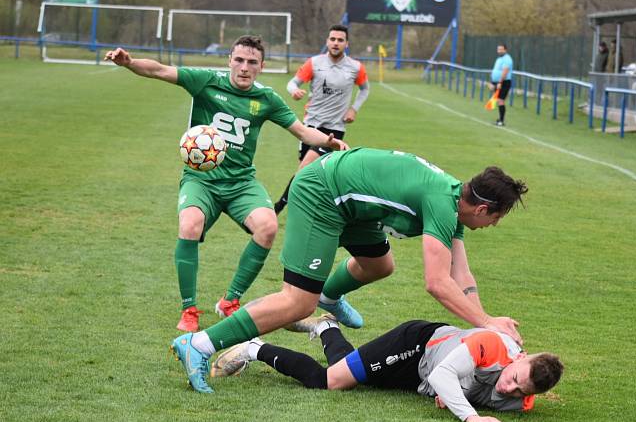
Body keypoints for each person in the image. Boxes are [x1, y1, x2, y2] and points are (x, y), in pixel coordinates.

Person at [170, 147, 528, 393]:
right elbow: (437, 282)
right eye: (497, 218)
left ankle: (330, 293)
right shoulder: (441, 202)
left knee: (379, 264)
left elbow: (461, 275)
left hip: (351, 206)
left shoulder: (454, 202)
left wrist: (487, 321)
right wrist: (485, 323)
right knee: (297, 303)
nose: (494, 225)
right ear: (482, 210)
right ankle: (199, 345)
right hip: (322, 194)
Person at [104, 36, 348, 332]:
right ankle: (189, 309)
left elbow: (300, 130)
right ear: (229, 60)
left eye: (252, 62)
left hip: (241, 182)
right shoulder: (206, 81)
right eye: (239, 60)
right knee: (189, 225)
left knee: (268, 226)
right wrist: (129, 63)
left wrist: (330, 142)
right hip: (201, 180)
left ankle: (230, 300)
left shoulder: (267, 98)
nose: (244, 68)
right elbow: (159, 70)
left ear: (262, 66)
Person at [210, 314, 564, 422]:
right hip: (415, 346)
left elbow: (457, 387)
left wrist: (453, 394)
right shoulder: (490, 344)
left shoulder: (522, 399)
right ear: (521, 357)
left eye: (520, 391)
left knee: (341, 371)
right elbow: (444, 377)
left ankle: (326, 327)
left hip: (419, 377)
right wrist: (470, 416)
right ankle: (254, 349)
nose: (509, 388)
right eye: (513, 377)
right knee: (329, 381)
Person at [273, 25, 370, 215]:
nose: (335, 43)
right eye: (332, 39)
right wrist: (294, 91)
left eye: (340, 40)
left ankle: (278, 207)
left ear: (346, 44)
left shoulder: (355, 67)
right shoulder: (314, 63)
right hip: (310, 126)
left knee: (303, 170)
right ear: (327, 41)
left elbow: (365, 88)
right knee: (312, 174)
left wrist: (354, 109)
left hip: (334, 129)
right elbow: (292, 82)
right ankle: (319, 208)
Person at [490, 43, 513, 126]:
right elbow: (496, 70)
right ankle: (500, 119)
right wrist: (492, 82)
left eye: (501, 49)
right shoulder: (499, 59)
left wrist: (500, 82)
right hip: (497, 82)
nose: (499, 51)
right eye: (498, 49)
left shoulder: (507, 59)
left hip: (504, 82)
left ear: (505, 50)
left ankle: (501, 121)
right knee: (498, 100)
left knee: (500, 100)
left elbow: (505, 71)